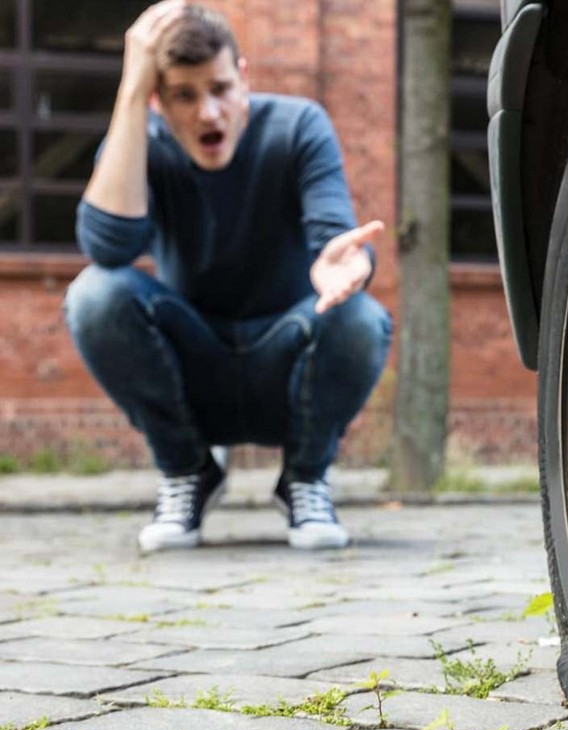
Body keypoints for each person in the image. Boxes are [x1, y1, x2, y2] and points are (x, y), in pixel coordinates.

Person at [63, 1, 392, 552]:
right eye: (183, 96)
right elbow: (107, 247)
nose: (207, 114)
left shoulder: (297, 125)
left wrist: (347, 264)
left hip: (285, 364)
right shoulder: (142, 141)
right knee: (94, 295)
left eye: (218, 89)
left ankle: (306, 478)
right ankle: (188, 472)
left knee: (361, 317)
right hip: (195, 369)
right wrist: (129, 95)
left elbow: (337, 237)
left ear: (243, 76)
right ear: (158, 100)